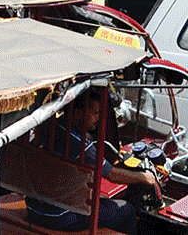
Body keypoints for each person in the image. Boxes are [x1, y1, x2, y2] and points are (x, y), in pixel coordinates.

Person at [26, 91, 156, 234]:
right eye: (94, 113)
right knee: (127, 210)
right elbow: (112, 175)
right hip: (60, 217)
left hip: (34, 208)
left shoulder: (50, 126)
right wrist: (146, 177)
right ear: (78, 113)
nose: (98, 118)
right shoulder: (82, 146)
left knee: (102, 202)